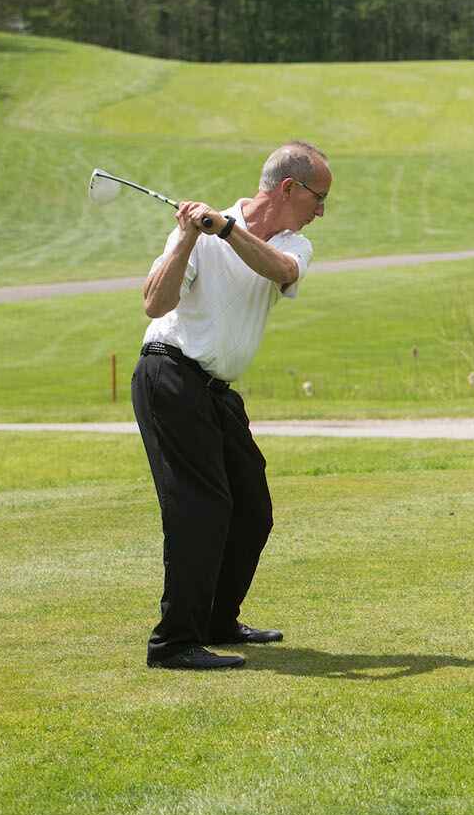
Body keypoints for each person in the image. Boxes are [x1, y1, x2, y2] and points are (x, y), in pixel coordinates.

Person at [132, 140, 329, 670]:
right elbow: (155, 303)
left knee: (251, 507)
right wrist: (185, 239)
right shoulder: (199, 235)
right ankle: (174, 641)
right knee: (200, 506)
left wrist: (225, 230)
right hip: (169, 374)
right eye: (319, 198)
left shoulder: (291, 245)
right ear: (289, 188)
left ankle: (219, 618)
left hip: (216, 391)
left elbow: (280, 270)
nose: (321, 211)